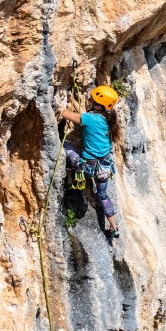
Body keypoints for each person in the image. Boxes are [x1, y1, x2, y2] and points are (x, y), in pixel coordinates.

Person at [59, 85, 120, 234]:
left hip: (87, 168)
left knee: (65, 146)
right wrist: (72, 100)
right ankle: (114, 226)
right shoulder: (108, 120)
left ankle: (69, 180)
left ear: (98, 105)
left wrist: (62, 105)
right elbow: (84, 114)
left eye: (92, 99)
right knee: (103, 195)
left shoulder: (89, 119)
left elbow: (65, 114)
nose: (89, 100)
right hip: (104, 169)